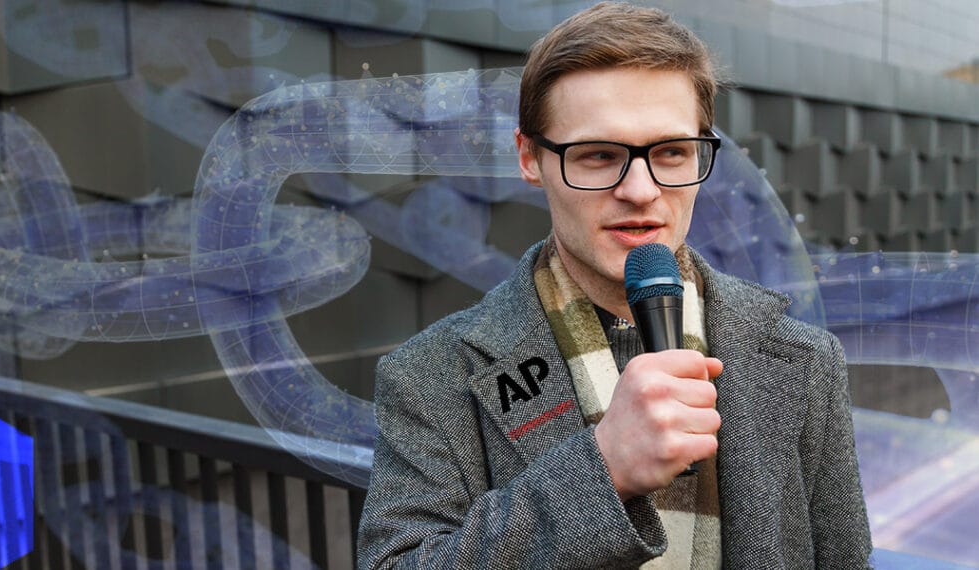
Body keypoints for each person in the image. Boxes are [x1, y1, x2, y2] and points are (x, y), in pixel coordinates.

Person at [357, 2, 872, 568]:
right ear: (530, 157)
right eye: (599, 155)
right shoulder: (428, 376)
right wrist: (600, 471)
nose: (641, 190)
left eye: (671, 152)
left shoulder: (807, 359)